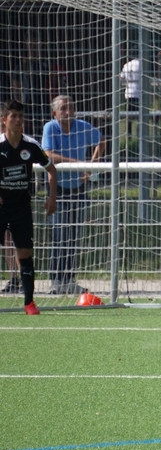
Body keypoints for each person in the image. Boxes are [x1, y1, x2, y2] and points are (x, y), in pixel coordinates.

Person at [41, 95, 105, 295]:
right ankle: (56, 280)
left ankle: (69, 279)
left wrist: (91, 166)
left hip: (78, 188)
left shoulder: (83, 126)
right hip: (58, 188)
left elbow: (101, 141)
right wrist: (77, 163)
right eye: (63, 108)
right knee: (59, 234)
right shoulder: (50, 128)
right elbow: (48, 154)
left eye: (70, 107)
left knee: (73, 235)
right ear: (55, 113)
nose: (68, 112)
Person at [0, 99, 57, 314]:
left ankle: (29, 303)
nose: (18, 120)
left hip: (21, 207)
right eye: (13, 116)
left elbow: (51, 170)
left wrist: (52, 198)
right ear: (4, 120)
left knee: (25, 252)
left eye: (20, 116)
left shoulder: (30, 145)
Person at [120, 56, 141, 135]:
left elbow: (121, 77)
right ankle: (139, 132)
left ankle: (129, 133)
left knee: (129, 116)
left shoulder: (127, 65)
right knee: (140, 115)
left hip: (129, 93)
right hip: (139, 93)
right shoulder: (141, 64)